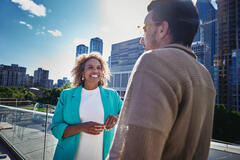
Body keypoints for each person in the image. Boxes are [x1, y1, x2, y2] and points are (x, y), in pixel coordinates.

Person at [110, 0, 216, 160]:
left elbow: (137, 151)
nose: (141, 39)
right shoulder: (205, 75)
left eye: (145, 28)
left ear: (162, 29)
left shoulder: (153, 61)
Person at [51, 53, 122, 160]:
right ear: (82, 72)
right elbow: (56, 128)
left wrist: (117, 117)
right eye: (90, 67)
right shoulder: (67, 95)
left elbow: (128, 113)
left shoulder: (112, 95)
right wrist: (82, 127)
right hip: (68, 156)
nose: (95, 71)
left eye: (99, 68)